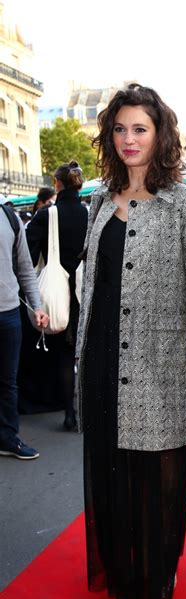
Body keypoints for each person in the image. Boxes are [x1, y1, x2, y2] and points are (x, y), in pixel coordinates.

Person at [75, 84, 186, 599]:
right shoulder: (99, 201)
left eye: (141, 129)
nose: (129, 139)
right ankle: (122, 565)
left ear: (160, 136)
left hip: (162, 360)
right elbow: (94, 282)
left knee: (161, 469)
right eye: (121, 129)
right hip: (105, 354)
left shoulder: (181, 202)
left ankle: (159, 566)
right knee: (112, 466)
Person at [26, 161, 88, 429]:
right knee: (87, 352)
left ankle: (69, 414)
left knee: (63, 355)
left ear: (58, 184)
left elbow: (27, 256)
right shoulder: (91, 214)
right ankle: (90, 411)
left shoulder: (46, 215)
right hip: (87, 290)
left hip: (57, 292)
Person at [0, 199, 49, 460]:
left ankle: (8, 437)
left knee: (8, 381)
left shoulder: (9, 218)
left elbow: (25, 269)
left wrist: (36, 306)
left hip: (8, 312)